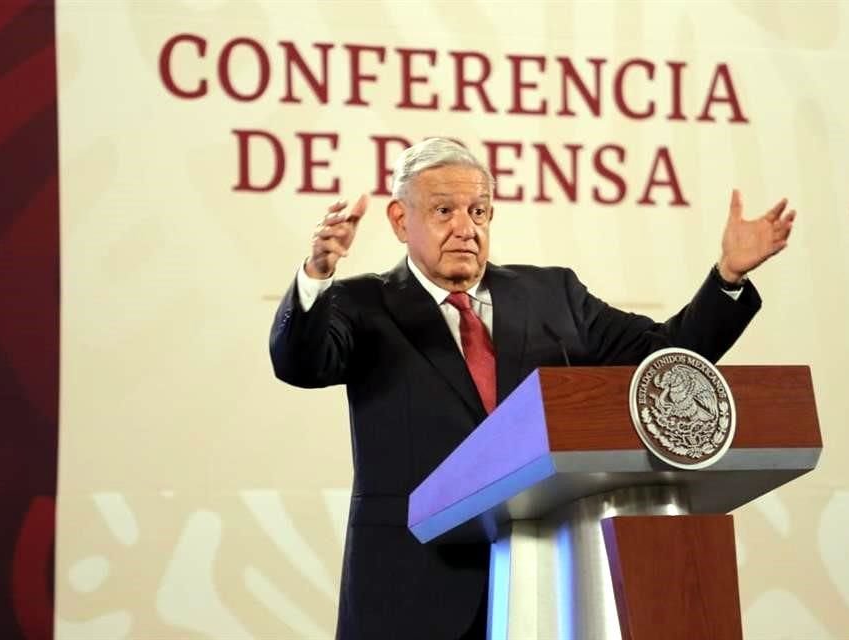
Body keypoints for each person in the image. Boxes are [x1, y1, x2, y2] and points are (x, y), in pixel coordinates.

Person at [269, 137, 795, 639]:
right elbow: (299, 362)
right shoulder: (362, 304)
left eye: (478, 211)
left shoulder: (553, 295)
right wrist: (317, 274)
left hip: (547, 587)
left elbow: (664, 358)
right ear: (401, 220)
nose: (465, 228)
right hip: (411, 590)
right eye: (444, 211)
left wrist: (727, 277)